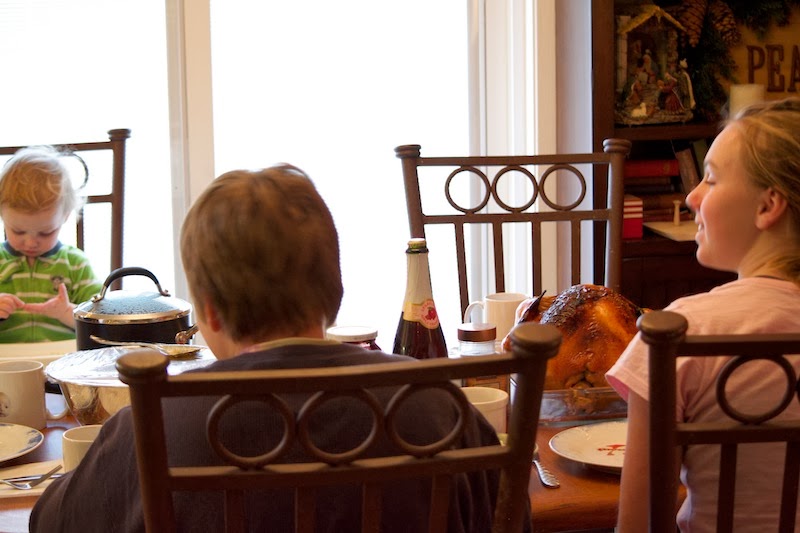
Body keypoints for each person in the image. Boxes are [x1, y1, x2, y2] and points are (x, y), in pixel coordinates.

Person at [30, 164, 509, 532]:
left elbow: (50, 523)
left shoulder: (153, 425)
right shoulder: (438, 405)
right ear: (336, 291)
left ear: (210, 313)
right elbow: (510, 516)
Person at [607, 97, 800, 532]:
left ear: (768, 206)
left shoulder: (680, 332)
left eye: (710, 179)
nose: (692, 196)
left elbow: (638, 526)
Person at [0, 145, 102, 342]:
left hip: (63, 358)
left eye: (45, 233)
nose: (31, 242)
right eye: (18, 231)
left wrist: (66, 312)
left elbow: (100, 321)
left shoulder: (75, 264)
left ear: (65, 216)